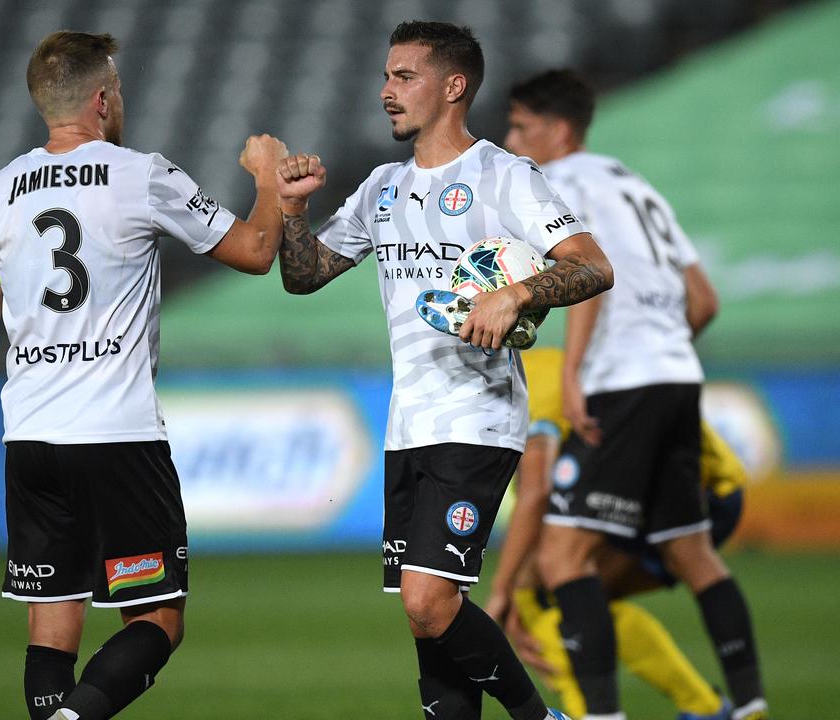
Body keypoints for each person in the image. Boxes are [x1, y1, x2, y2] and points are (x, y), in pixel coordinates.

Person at [273, 21, 612, 720]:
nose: (385, 92)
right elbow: (304, 277)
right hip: (409, 426)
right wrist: (291, 211)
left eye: (404, 77)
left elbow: (592, 264)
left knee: (430, 601)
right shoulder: (382, 187)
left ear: (453, 86)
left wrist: (517, 291)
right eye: (386, 76)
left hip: (478, 416)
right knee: (431, 622)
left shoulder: (503, 176)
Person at [0, 30, 288, 720]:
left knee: (52, 622)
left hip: (32, 438)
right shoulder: (139, 173)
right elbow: (254, 251)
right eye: (119, 88)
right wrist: (269, 181)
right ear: (101, 99)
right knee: (157, 622)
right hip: (117, 438)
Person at [503, 69, 769, 720]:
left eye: (519, 127)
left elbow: (590, 278)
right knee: (693, 553)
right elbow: (703, 300)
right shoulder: (632, 181)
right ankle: (752, 706)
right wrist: (665, 352)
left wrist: (575, 377)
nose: (510, 141)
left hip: (621, 383)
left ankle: (600, 716)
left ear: (557, 131)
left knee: (564, 558)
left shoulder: (557, 184)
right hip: (678, 376)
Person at [487, 347, 748, 720]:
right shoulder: (535, 363)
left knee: (558, 598)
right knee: (572, 598)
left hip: (688, 487)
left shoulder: (521, 390)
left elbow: (537, 491)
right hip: (691, 482)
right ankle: (705, 708)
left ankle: (600, 714)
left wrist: (503, 590)